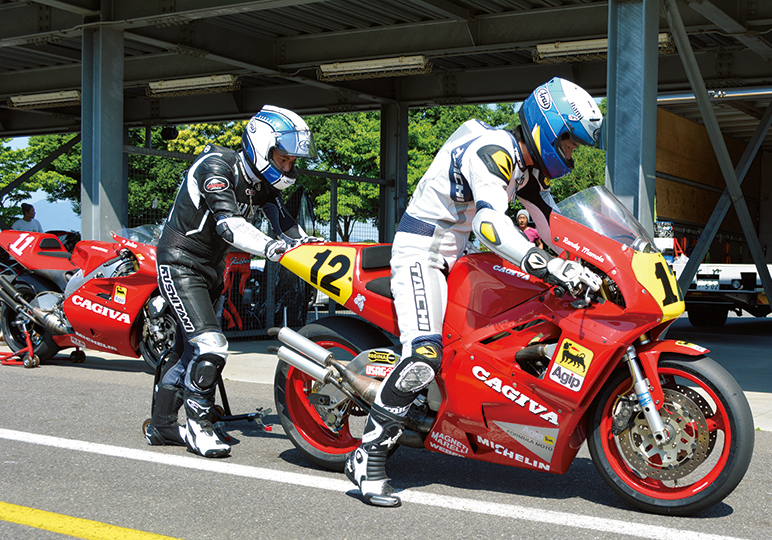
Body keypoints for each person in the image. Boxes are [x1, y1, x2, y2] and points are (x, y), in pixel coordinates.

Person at [345, 77, 604, 507]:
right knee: (424, 355)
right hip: (421, 254)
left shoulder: (525, 167)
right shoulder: (494, 153)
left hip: (456, 259)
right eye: (571, 143)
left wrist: (592, 263)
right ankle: (368, 455)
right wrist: (549, 264)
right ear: (548, 128)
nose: (572, 153)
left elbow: (554, 223)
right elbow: (489, 224)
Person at [145, 105, 315, 458]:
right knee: (211, 344)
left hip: (212, 268)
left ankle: (162, 426)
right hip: (180, 262)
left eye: (290, 162)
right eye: (282, 159)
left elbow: (291, 230)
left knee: (186, 349)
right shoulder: (217, 166)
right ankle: (199, 426)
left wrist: (320, 251)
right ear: (260, 144)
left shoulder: (262, 184)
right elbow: (229, 225)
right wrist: (273, 248)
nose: (287, 168)